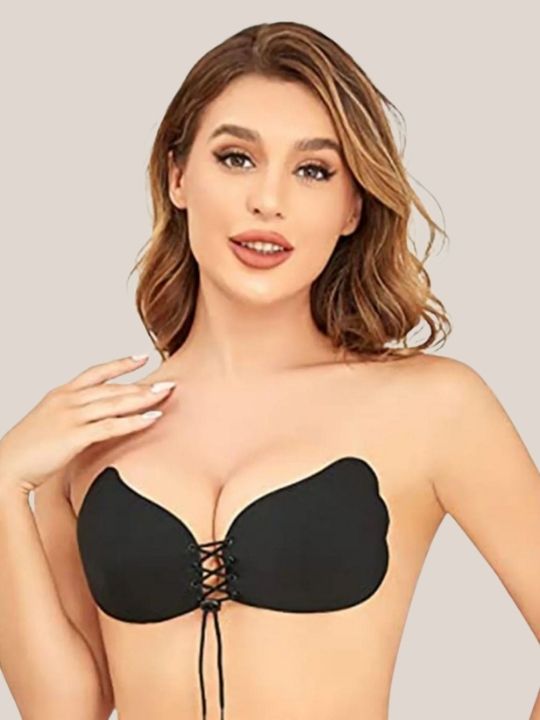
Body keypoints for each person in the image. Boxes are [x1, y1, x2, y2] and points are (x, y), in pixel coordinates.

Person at [0, 20, 538, 720]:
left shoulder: (436, 406)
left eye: (313, 170)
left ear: (352, 207)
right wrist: (4, 483)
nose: (269, 200)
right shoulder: (91, 434)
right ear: (179, 176)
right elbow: (65, 710)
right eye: (236, 158)